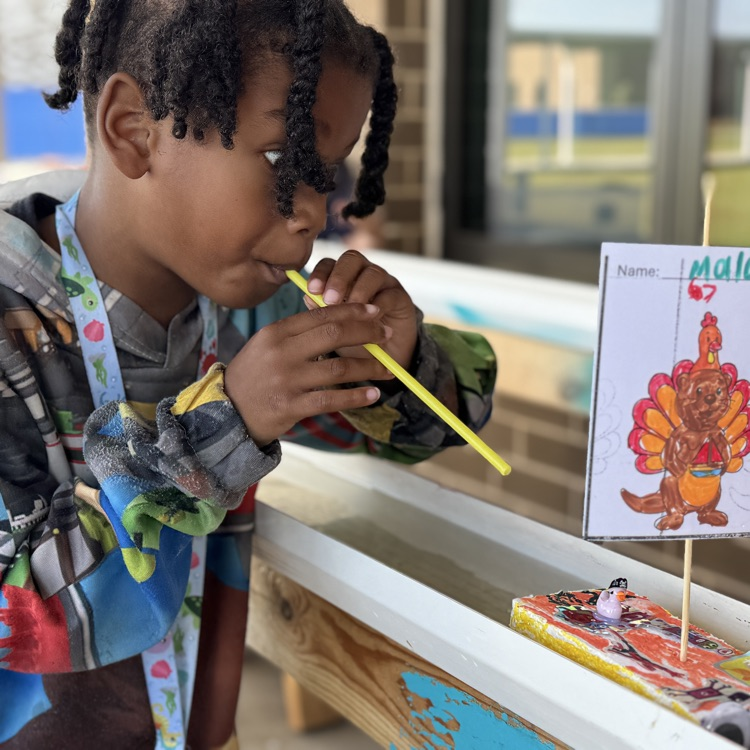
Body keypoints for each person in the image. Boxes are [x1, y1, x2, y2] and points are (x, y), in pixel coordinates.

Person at [0, 1, 497, 748]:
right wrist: (220, 429)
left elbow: (428, 428)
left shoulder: (242, 312)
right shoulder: (11, 331)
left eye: (321, 174)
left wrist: (392, 365)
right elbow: (18, 618)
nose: (311, 212)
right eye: (280, 161)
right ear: (133, 129)